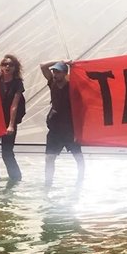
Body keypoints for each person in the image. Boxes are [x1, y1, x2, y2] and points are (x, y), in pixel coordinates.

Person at [40, 60, 84, 189]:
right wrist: (62, 61)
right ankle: (48, 182)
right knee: (49, 158)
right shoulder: (52, 83)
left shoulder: (72, 86)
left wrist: (78, 131)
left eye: (58, 72)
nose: (55, 74)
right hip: (55, 129)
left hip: (70, 128)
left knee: (78, 157)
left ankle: (80, 180)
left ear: (65, 73)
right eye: (54, 71)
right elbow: (43, 66)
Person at [0, 54, 25, 183]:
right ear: (1, 66)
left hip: (8, 122)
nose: (7, 66)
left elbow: (14, 106)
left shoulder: (17, 84)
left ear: (15, 68)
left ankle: (16, 179)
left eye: (10, 64)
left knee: (7, 153)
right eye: (4, 64)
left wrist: (11, 125)